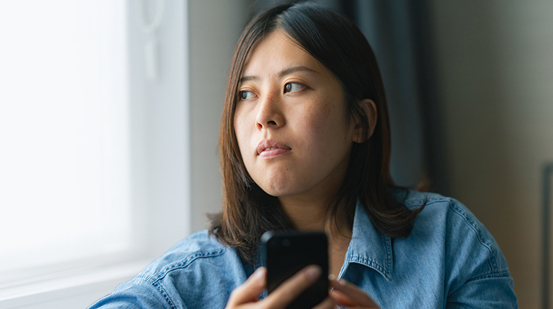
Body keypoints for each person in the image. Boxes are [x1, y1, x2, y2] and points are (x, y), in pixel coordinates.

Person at [89, 3, 518, 308]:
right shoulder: (193, 277)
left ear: (360, 122)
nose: (264, 116)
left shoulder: (450, 242)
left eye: (293, 86)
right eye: (245, 94)